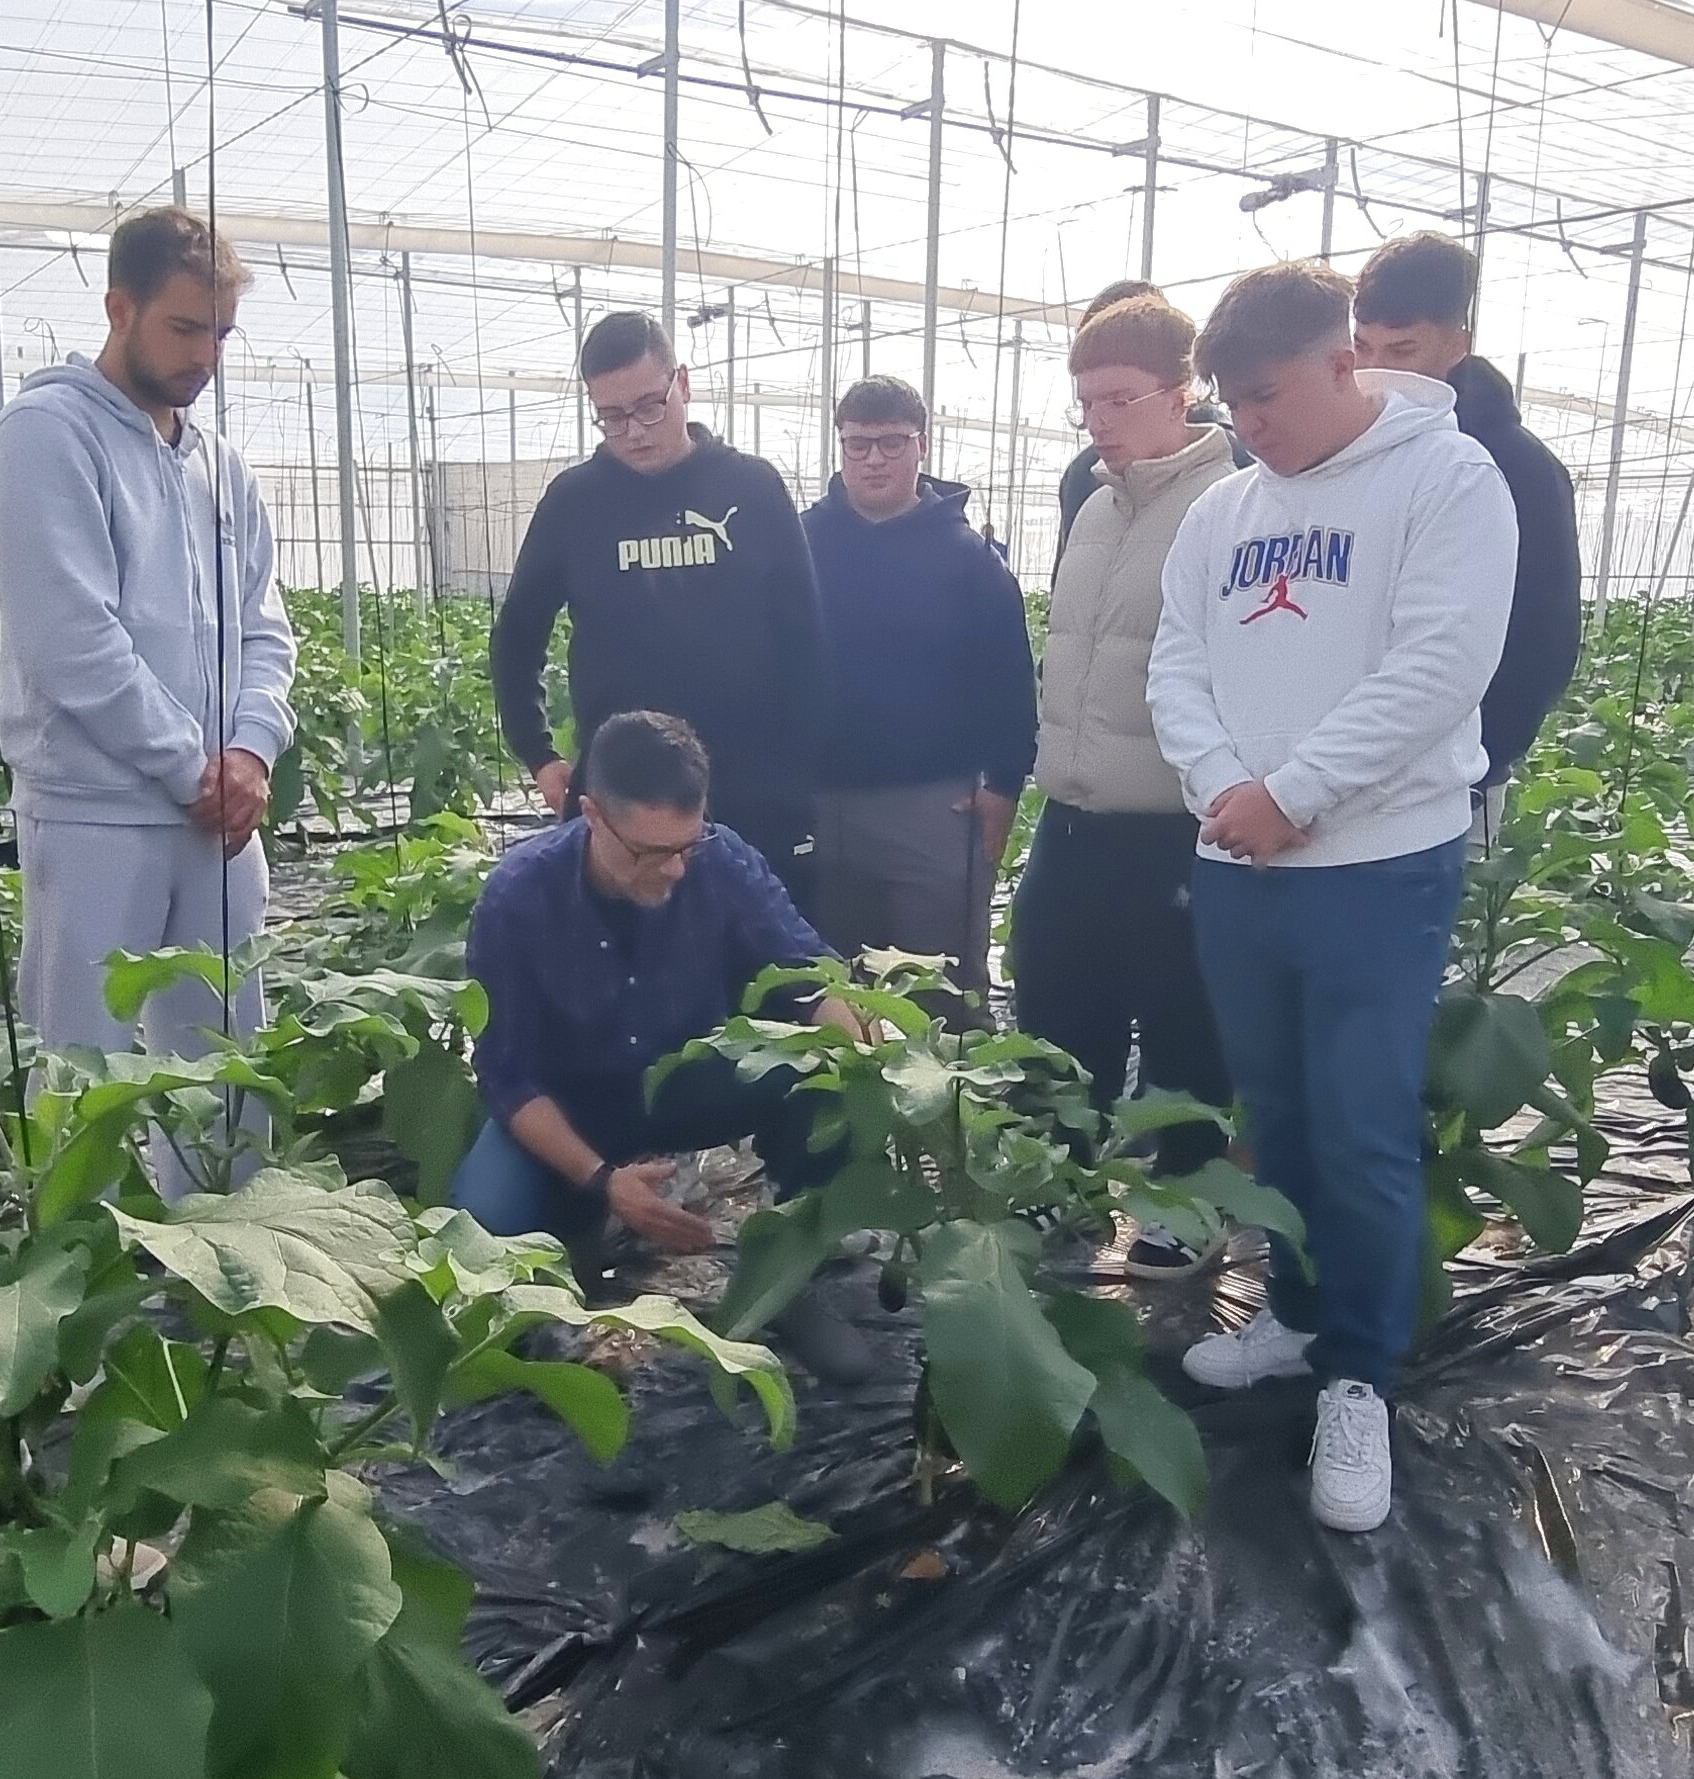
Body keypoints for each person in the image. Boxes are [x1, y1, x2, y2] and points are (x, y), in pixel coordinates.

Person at [1152, 261, 1514, 1534]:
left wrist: (1295, 791)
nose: (1249, 424)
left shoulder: (1447, 480)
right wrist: (1223, 786)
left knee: (1361, 1130)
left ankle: (1359, 1377)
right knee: (1281, 1115)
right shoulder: (1222, 512)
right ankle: (1297, 1317)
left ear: (1343, 363)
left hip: (1376, 868)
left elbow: (1441, 664)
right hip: (1241, 866)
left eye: (1268, 397)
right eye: (1233, 404)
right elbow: (1177, 662)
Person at [0, 206, 292, 1068]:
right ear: (120, 309)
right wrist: (194, 771)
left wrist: (252, 752)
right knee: (84, 1065)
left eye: (221, 333)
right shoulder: (47, 437)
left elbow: (265, 628)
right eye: (185, 328)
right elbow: (71, 641)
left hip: (220, 821)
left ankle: (228, 1173)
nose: (205, 355)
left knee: (228, 1064)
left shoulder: (221, 465)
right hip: (95, 813)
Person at [457, 712, 868, 1369]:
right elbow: (507, 1076)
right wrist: (603, 1180)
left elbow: (811, 976)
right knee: (483, 1228)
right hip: (570, 1108)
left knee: (826, 1074)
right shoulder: (520, 896)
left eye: (686, 845)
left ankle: (785, 1273)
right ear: (592, 816)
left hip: (682, 1081)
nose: (674, 869)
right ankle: (574, 1231)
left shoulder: (721, 860)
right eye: (649, 852)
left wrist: (869, 1064)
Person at [1016, 294, 1240, 1270]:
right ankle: (1061, 1187)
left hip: (1170, 821)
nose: (1098, 421)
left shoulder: (1228, 502)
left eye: (1118, 399)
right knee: (1056, 1006)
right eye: (1086, 402)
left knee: (1183, 1019)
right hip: (1072, 809)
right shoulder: (1096, 503)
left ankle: (1185, 1204)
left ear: (1180, 391)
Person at [492, 312, 832, 910]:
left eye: (650, 406)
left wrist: (799, 775)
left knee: (759, 955)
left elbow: (803, 639)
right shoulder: (575, 502)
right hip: (624, 813)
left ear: (684, 383)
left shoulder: (751, 488)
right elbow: (518, 636)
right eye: (612, 416)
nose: (634, 431)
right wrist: (539, 753)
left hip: (750, 800)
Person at [799, 375, 1034, 1023]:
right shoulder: (801, 544)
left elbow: (1010, 682)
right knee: (827, 990)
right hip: (819, 803)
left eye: (892, 443)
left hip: (932, 808)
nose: (873, 459)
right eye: (858, 444)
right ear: (840, 447)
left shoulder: (970, 560)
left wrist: (1003, 785)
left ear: (921, 446)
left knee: (939, 992)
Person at [1352, 233, 1583, 821]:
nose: (1376, 371)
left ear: (1458, 345)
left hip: (1450, 783)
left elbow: (1543, 639)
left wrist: (1481, 756)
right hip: (1321, 770)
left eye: (1402, 350)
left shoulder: (1517, 467)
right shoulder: (1337, 458)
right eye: (1362, 347)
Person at [1053, 279, 1241, 554]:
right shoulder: (1089, 498)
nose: (1094, 425)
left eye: (1119, 402)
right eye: (1087, 405)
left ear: (1178, 399)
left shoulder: (1233, 495)